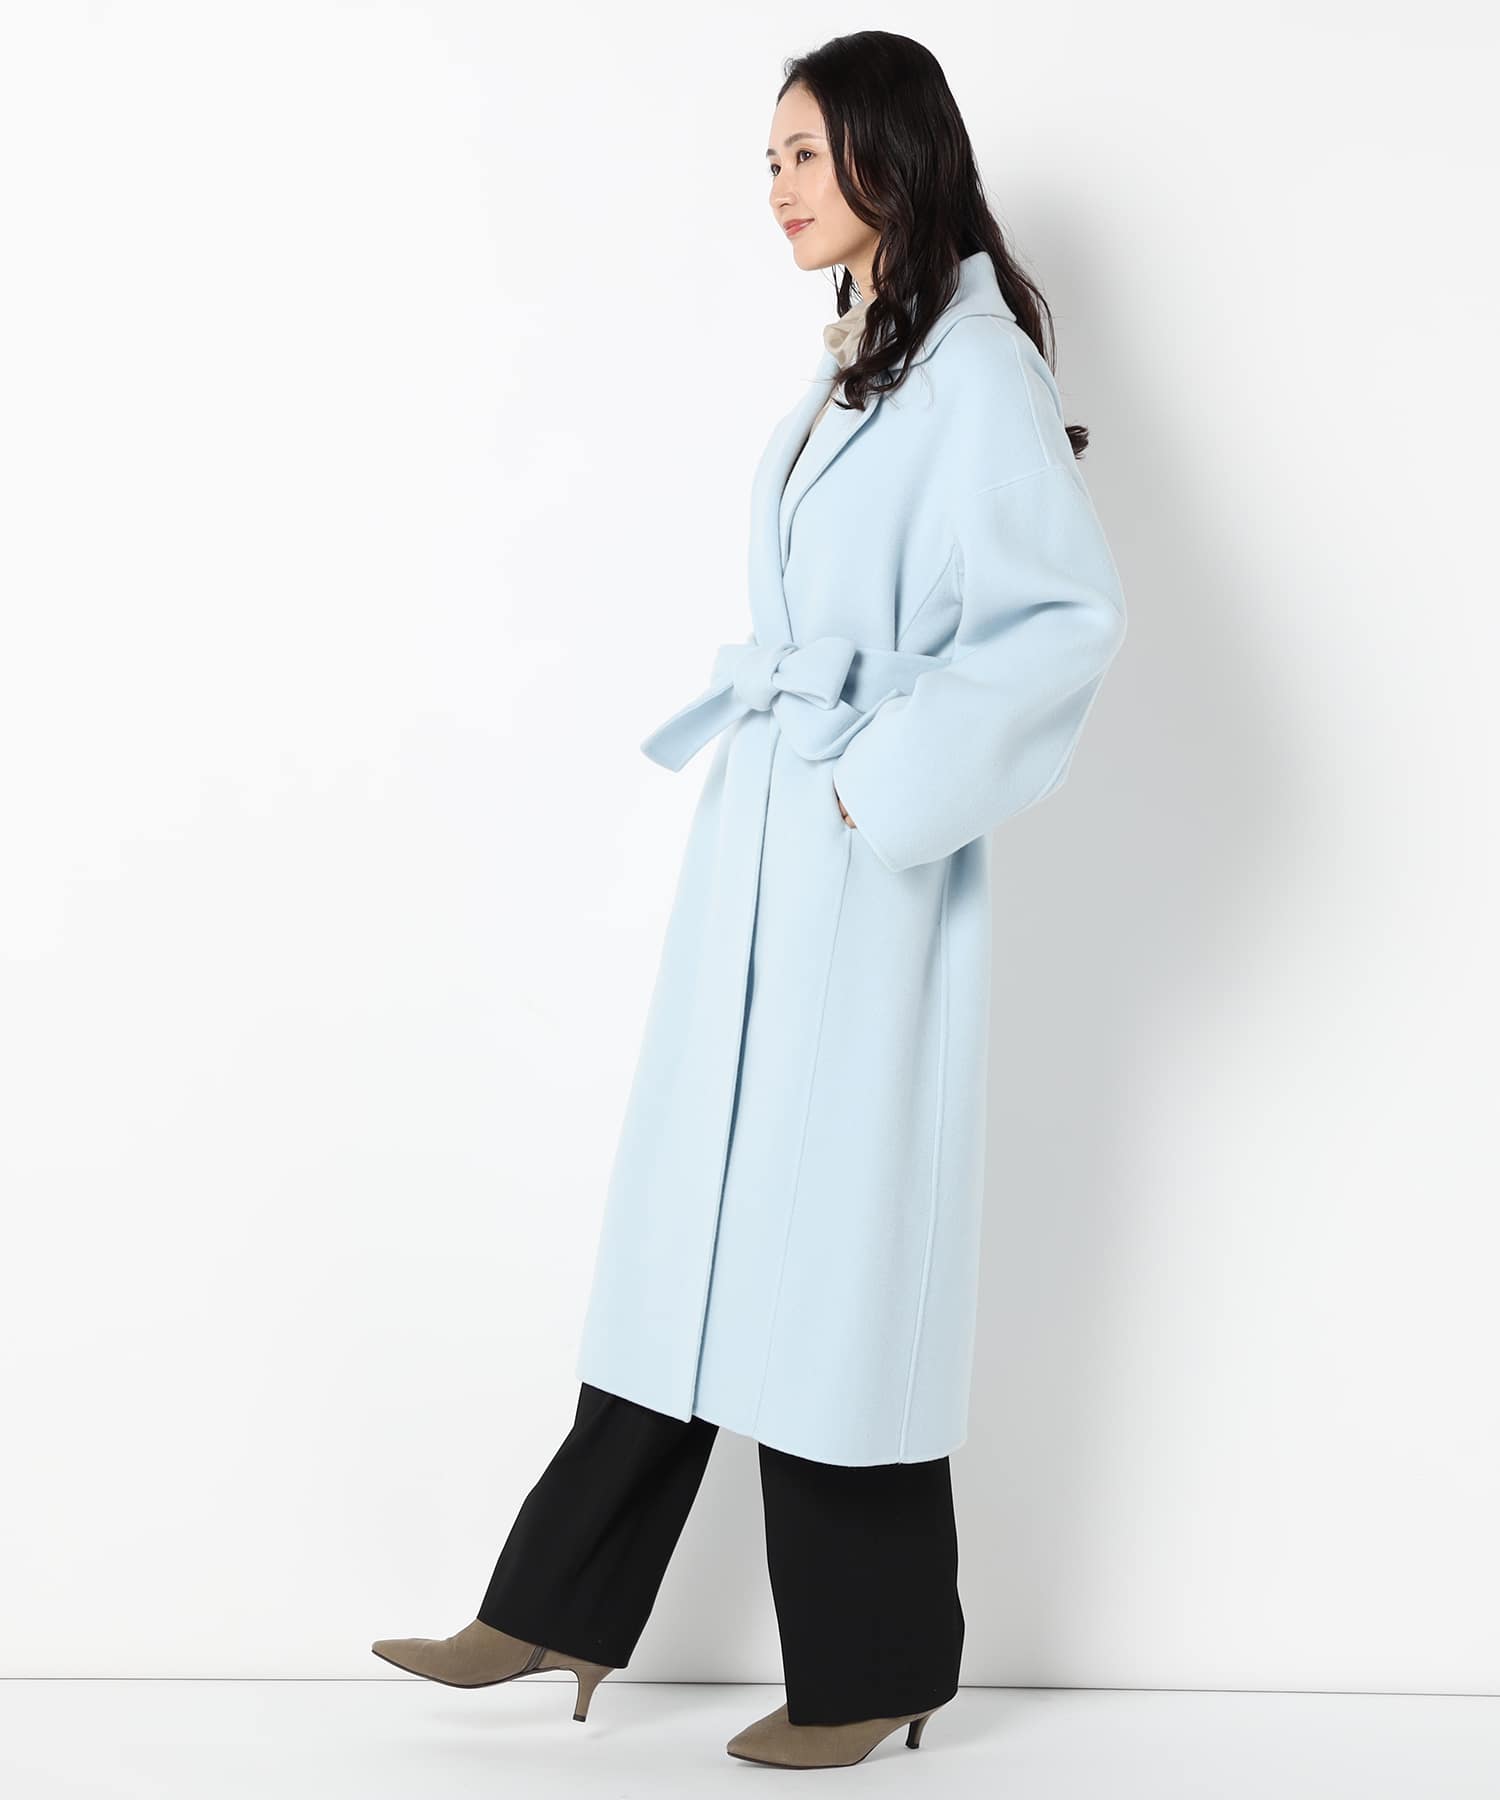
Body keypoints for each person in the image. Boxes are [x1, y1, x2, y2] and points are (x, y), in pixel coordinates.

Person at [372, 29, 1128, 1771]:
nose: (775, 188)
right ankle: (559, 1600)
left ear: (886, 150)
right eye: (768, 160)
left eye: (800, 154)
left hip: (863, 856)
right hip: (774, 848)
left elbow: (1063, 619)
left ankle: (873, 1665)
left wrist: (882, 785)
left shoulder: (977, 374)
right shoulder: (870, 361)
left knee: (838, 1270)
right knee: (692, 1236)